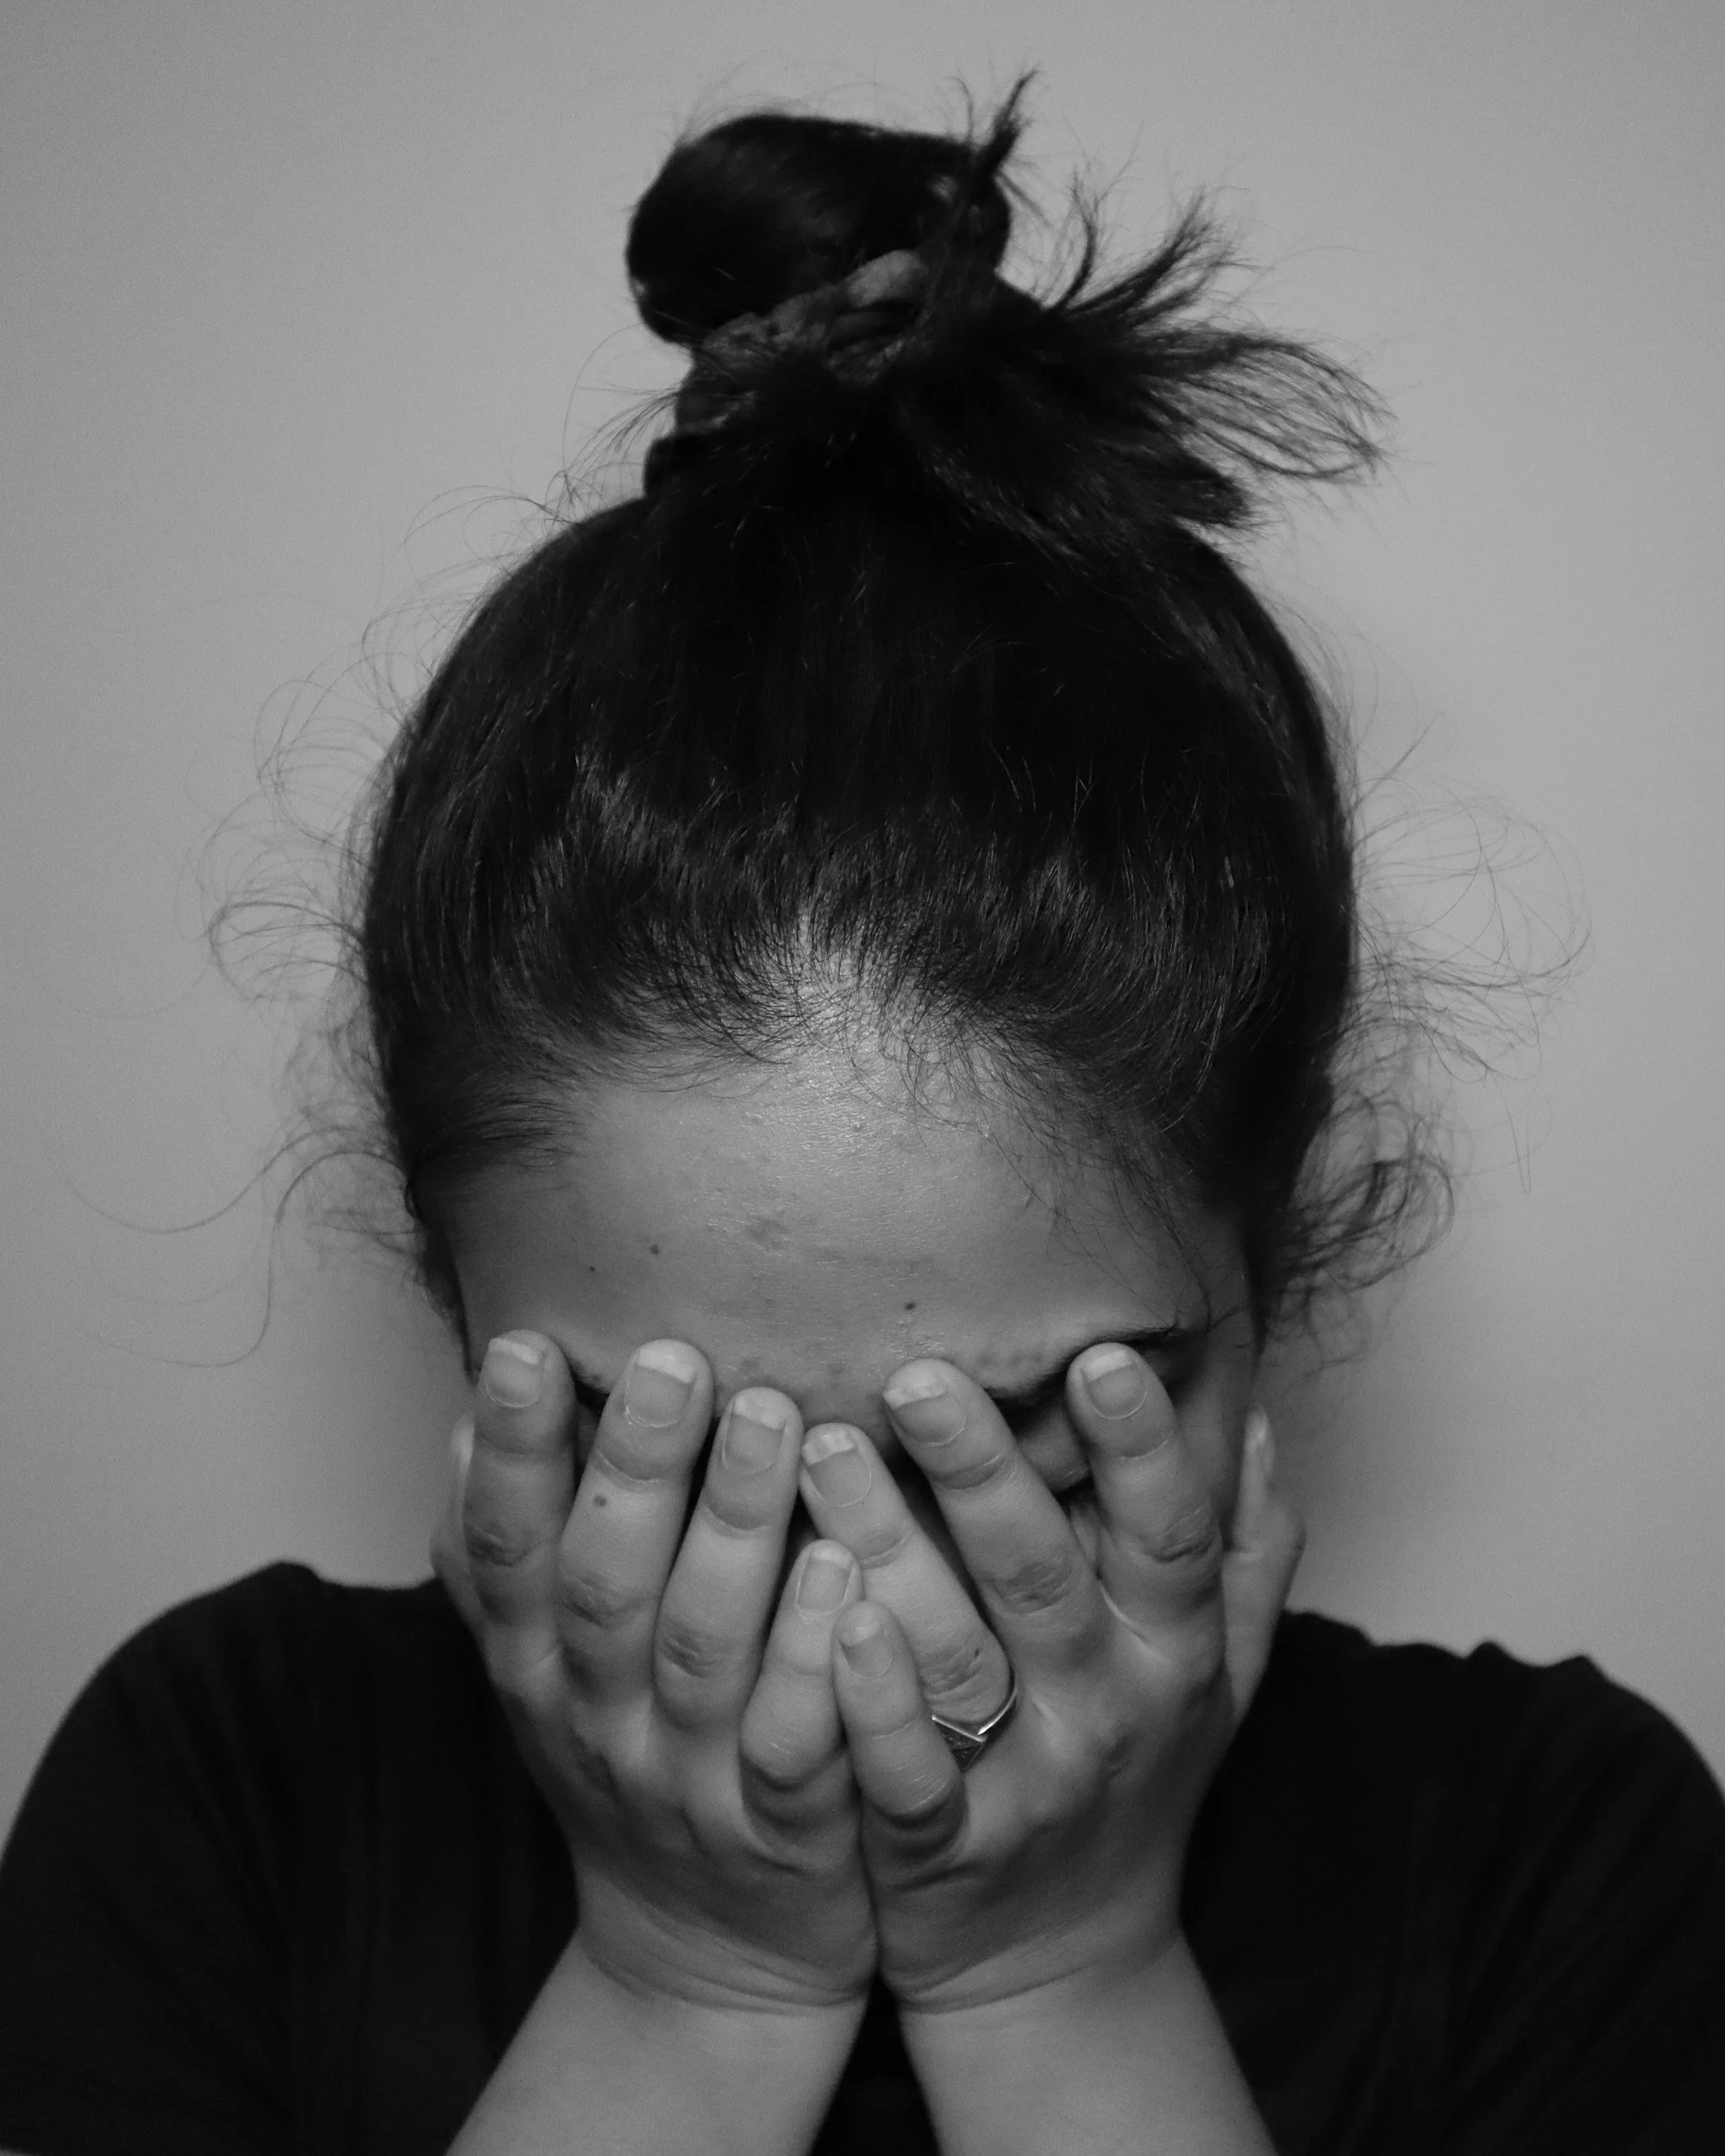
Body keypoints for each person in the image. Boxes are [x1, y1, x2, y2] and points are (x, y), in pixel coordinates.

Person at [1, 86, 1722, 2156]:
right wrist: (687, 1983)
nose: (862, 1602)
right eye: (675, 1440)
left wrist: (1061, 1975)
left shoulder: (1562, 1856)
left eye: (1017, 1433)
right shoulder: (224, 1787)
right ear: (454, 1315)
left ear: (1271, 1259)